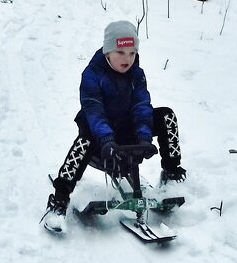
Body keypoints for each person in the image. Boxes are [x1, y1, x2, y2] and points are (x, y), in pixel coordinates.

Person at [41, 21, 187, 233]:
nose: (127, 59)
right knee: (83, 143)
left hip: (128, 132)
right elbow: (94, 110)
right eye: (120, 52)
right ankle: (59, 200)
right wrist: (107, 139)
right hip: (100, 138)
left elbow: (141, 105)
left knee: (166, 116)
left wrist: (144, 138)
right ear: (108, 51)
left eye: (132, 53)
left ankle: (172, 175)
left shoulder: (137, 74)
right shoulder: (93, 74)